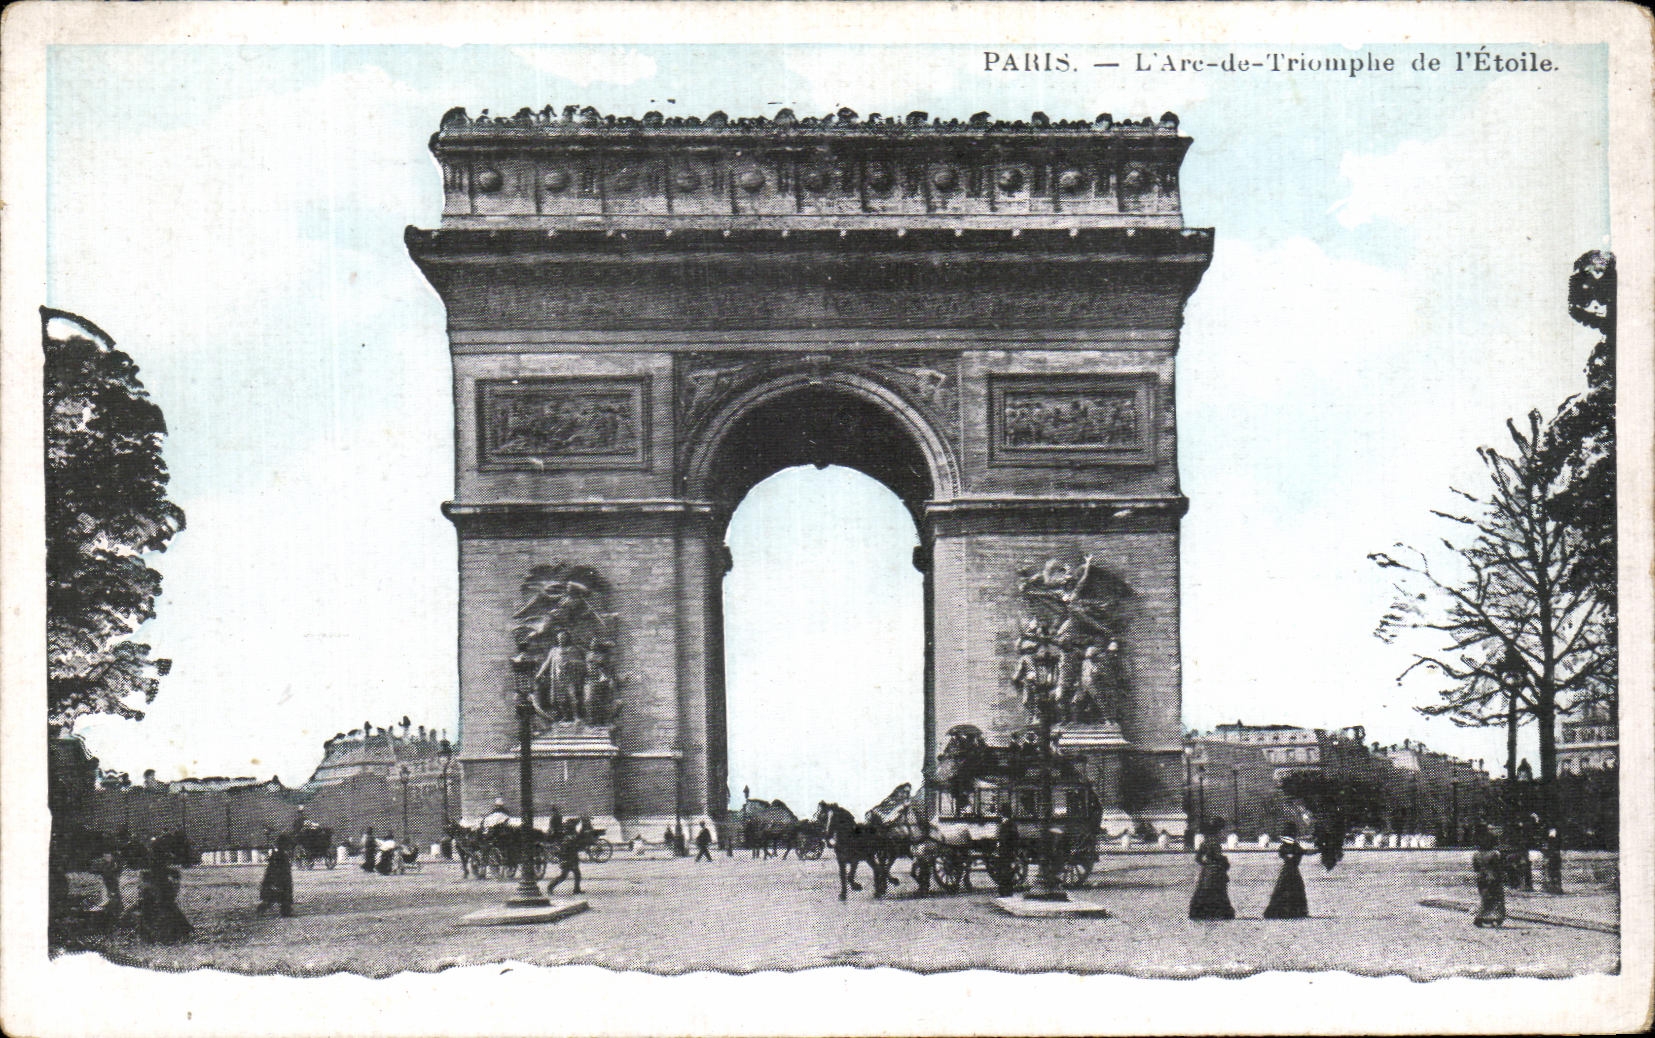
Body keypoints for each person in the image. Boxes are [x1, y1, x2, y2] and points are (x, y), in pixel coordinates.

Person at [129, 843, 192, 943]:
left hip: (157, 901)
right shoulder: (163, 871)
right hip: (158, 901)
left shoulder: (150, 872)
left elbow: (142, 889)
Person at [1188, 826, 1236, 920]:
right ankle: (1219, 913)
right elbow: (1218, 857)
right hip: (1216, 871)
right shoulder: (1216, 843)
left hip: (1206, 872)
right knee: (1219, 892)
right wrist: (1224, 862)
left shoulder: (1204, 843)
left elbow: (1198, 858)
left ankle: (1200, 913)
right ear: (1217, 832)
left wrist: (1205, 864)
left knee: (1204, 891)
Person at [1262, 828, 1308, 919]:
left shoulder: (1285, 847)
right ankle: (1294, 911)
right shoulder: (1293, 846)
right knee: (1294, 889)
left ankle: (1281, 911)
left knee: (1282, 890)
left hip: (1287, 871)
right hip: (1292, 871)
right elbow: (1303, 852)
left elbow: (1300, 852)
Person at [1472, 828, 1507, 927]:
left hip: (1481, 878)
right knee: (1497, 898)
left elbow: (1476, 868)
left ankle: (1481, 916)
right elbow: (1499, 867)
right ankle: (1495, 918)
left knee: (1485, 898)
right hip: (1493, 877)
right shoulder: (1495, 854)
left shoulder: (1476, 854)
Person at [257, 836, 295, 917]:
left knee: (282, 896)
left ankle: (285, 911)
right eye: (287, 845)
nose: (289, 847)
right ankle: (262, 910)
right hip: (278, 879)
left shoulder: (280, 854)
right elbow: (275, 869)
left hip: (281, 879)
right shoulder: (279, 855)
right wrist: (275, 881)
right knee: (273, 896)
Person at [546, 825, 583, 896]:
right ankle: (550, 886)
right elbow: (569, 850)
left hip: (570, 860)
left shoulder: (569, 838)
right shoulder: (569, 839)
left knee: (575, 874)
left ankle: (576, 889)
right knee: (565, 876)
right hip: (569, 861)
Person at [991, 814, 1019, 897]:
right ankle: (1007, 890)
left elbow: (1001, 838)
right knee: (1007, 870)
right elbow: (1016, 838)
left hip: (1003, 851)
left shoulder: (1003, 825)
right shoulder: (1012, 824)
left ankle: (1004, 890)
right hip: (1008, 851)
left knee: (1003, 870)